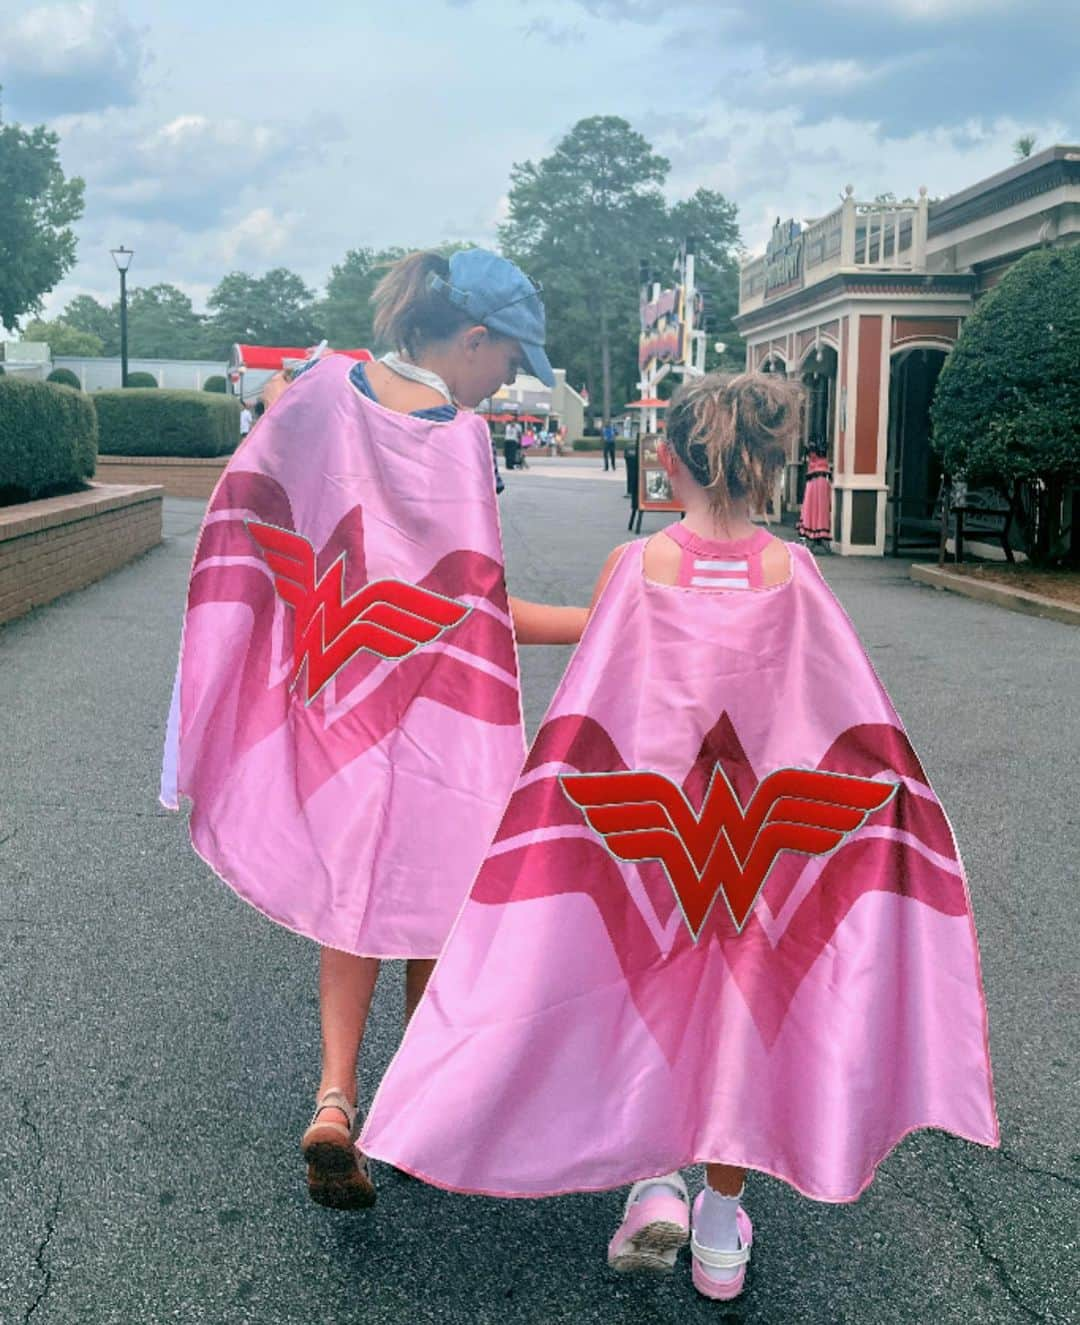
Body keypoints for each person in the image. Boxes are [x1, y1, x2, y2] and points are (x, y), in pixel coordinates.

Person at [360, 371, 998, 1301]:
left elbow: (594, 697)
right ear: (775, 465)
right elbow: (845, 718)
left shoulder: (636, 568)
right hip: (759, 851)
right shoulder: (797, 575)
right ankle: (718, 1226)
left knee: (640, 1002)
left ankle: (651, 1179)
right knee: (737, 1019)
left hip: (644, 844)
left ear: (667, 464)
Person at [161, 248, 587, 1213]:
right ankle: (420, 1107)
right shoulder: (460, 442)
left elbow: (250, 524)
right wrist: (599, 621)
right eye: (511, 359)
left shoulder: (313, 394)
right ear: (471, 338)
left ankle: (334, 1096)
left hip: (330, 708)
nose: (510, 378)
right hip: (442, 721)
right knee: (441, 903)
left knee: (355, 895)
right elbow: (475, 606)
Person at [797, 436, 832, 548]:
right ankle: (814, 532)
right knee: (814, 509)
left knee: (819, 509)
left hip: (818, 485)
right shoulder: (814, 459)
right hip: (815, 484)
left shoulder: (816, 460)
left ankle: (818, 533)